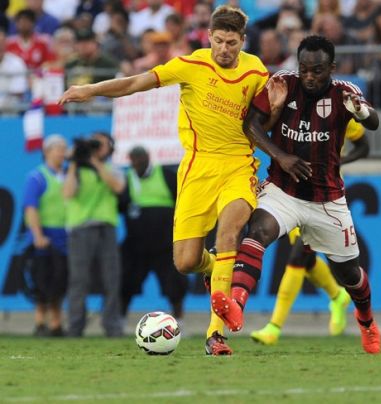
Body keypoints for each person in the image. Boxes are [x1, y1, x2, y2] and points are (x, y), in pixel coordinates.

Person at [59, 5, 270, 355]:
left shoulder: (257, 71)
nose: (224, 49)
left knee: (229, 232)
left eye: (232, 43)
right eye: (219, 41)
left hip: (238, 166)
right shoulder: (190, 65)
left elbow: (270, 118)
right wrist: (91, 90)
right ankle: (213, 268)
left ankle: (215, 336)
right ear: (209, 37)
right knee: (185, 261)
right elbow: (135, 83)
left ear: (243, 41)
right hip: (197, 170)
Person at [211, 35, 381, 354]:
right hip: (282, 191)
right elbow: (251, 124)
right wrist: (281, 156)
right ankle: (236, 305)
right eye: (304, 68)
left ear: (330, 68)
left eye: (317, 70)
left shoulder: (345, 93)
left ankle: (367, 322)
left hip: (327, 200)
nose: (309, 76)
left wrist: (360, 111)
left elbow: (372, 123)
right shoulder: (282, 85)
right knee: (258, 232)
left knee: (349, 273)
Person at [251, 119, 369, 345]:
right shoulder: (290, 104)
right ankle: (337, 295)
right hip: (288, 194)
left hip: (324, 198)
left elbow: (364, 146)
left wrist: (339, 162)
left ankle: (274, 327)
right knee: (307, 259)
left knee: (299, 256)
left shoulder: (340, 108)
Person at [63, 131, 125, 337]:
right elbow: (68, 193)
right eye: (94, 144)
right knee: (79, 280)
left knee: (111, 278)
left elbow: (118, 187)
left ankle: (112, 326)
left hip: (106, 227)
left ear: (110, 148)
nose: (97, 148)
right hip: (81, 228)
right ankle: (75, 326)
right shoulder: (76, 169)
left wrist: (95, 163)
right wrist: (75, 162)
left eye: (101, 144)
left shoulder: (112, 169)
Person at [120, 146, 188, 323]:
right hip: (137, 243)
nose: (137, 163)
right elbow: (121, 205)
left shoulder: (165, 174)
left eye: (140, 158)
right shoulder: (127, 178)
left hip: (165, 242)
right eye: (133, 159)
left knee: (174, 282)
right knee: (126, 280)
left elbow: (182, 200)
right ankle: (119, 320)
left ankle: (178, 318)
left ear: (148, 157)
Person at [23, 135, 68, 337]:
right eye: (59, 149)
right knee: (42, 279)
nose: (63, 153)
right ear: (47, 151)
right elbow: (31, 207)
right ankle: (40, 321)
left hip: (65, 235)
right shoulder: (37, 177)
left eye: (64, 149)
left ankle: (56, 323)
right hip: (46, 234)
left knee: (60, 279)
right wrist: (37, 234)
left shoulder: (68, 175)